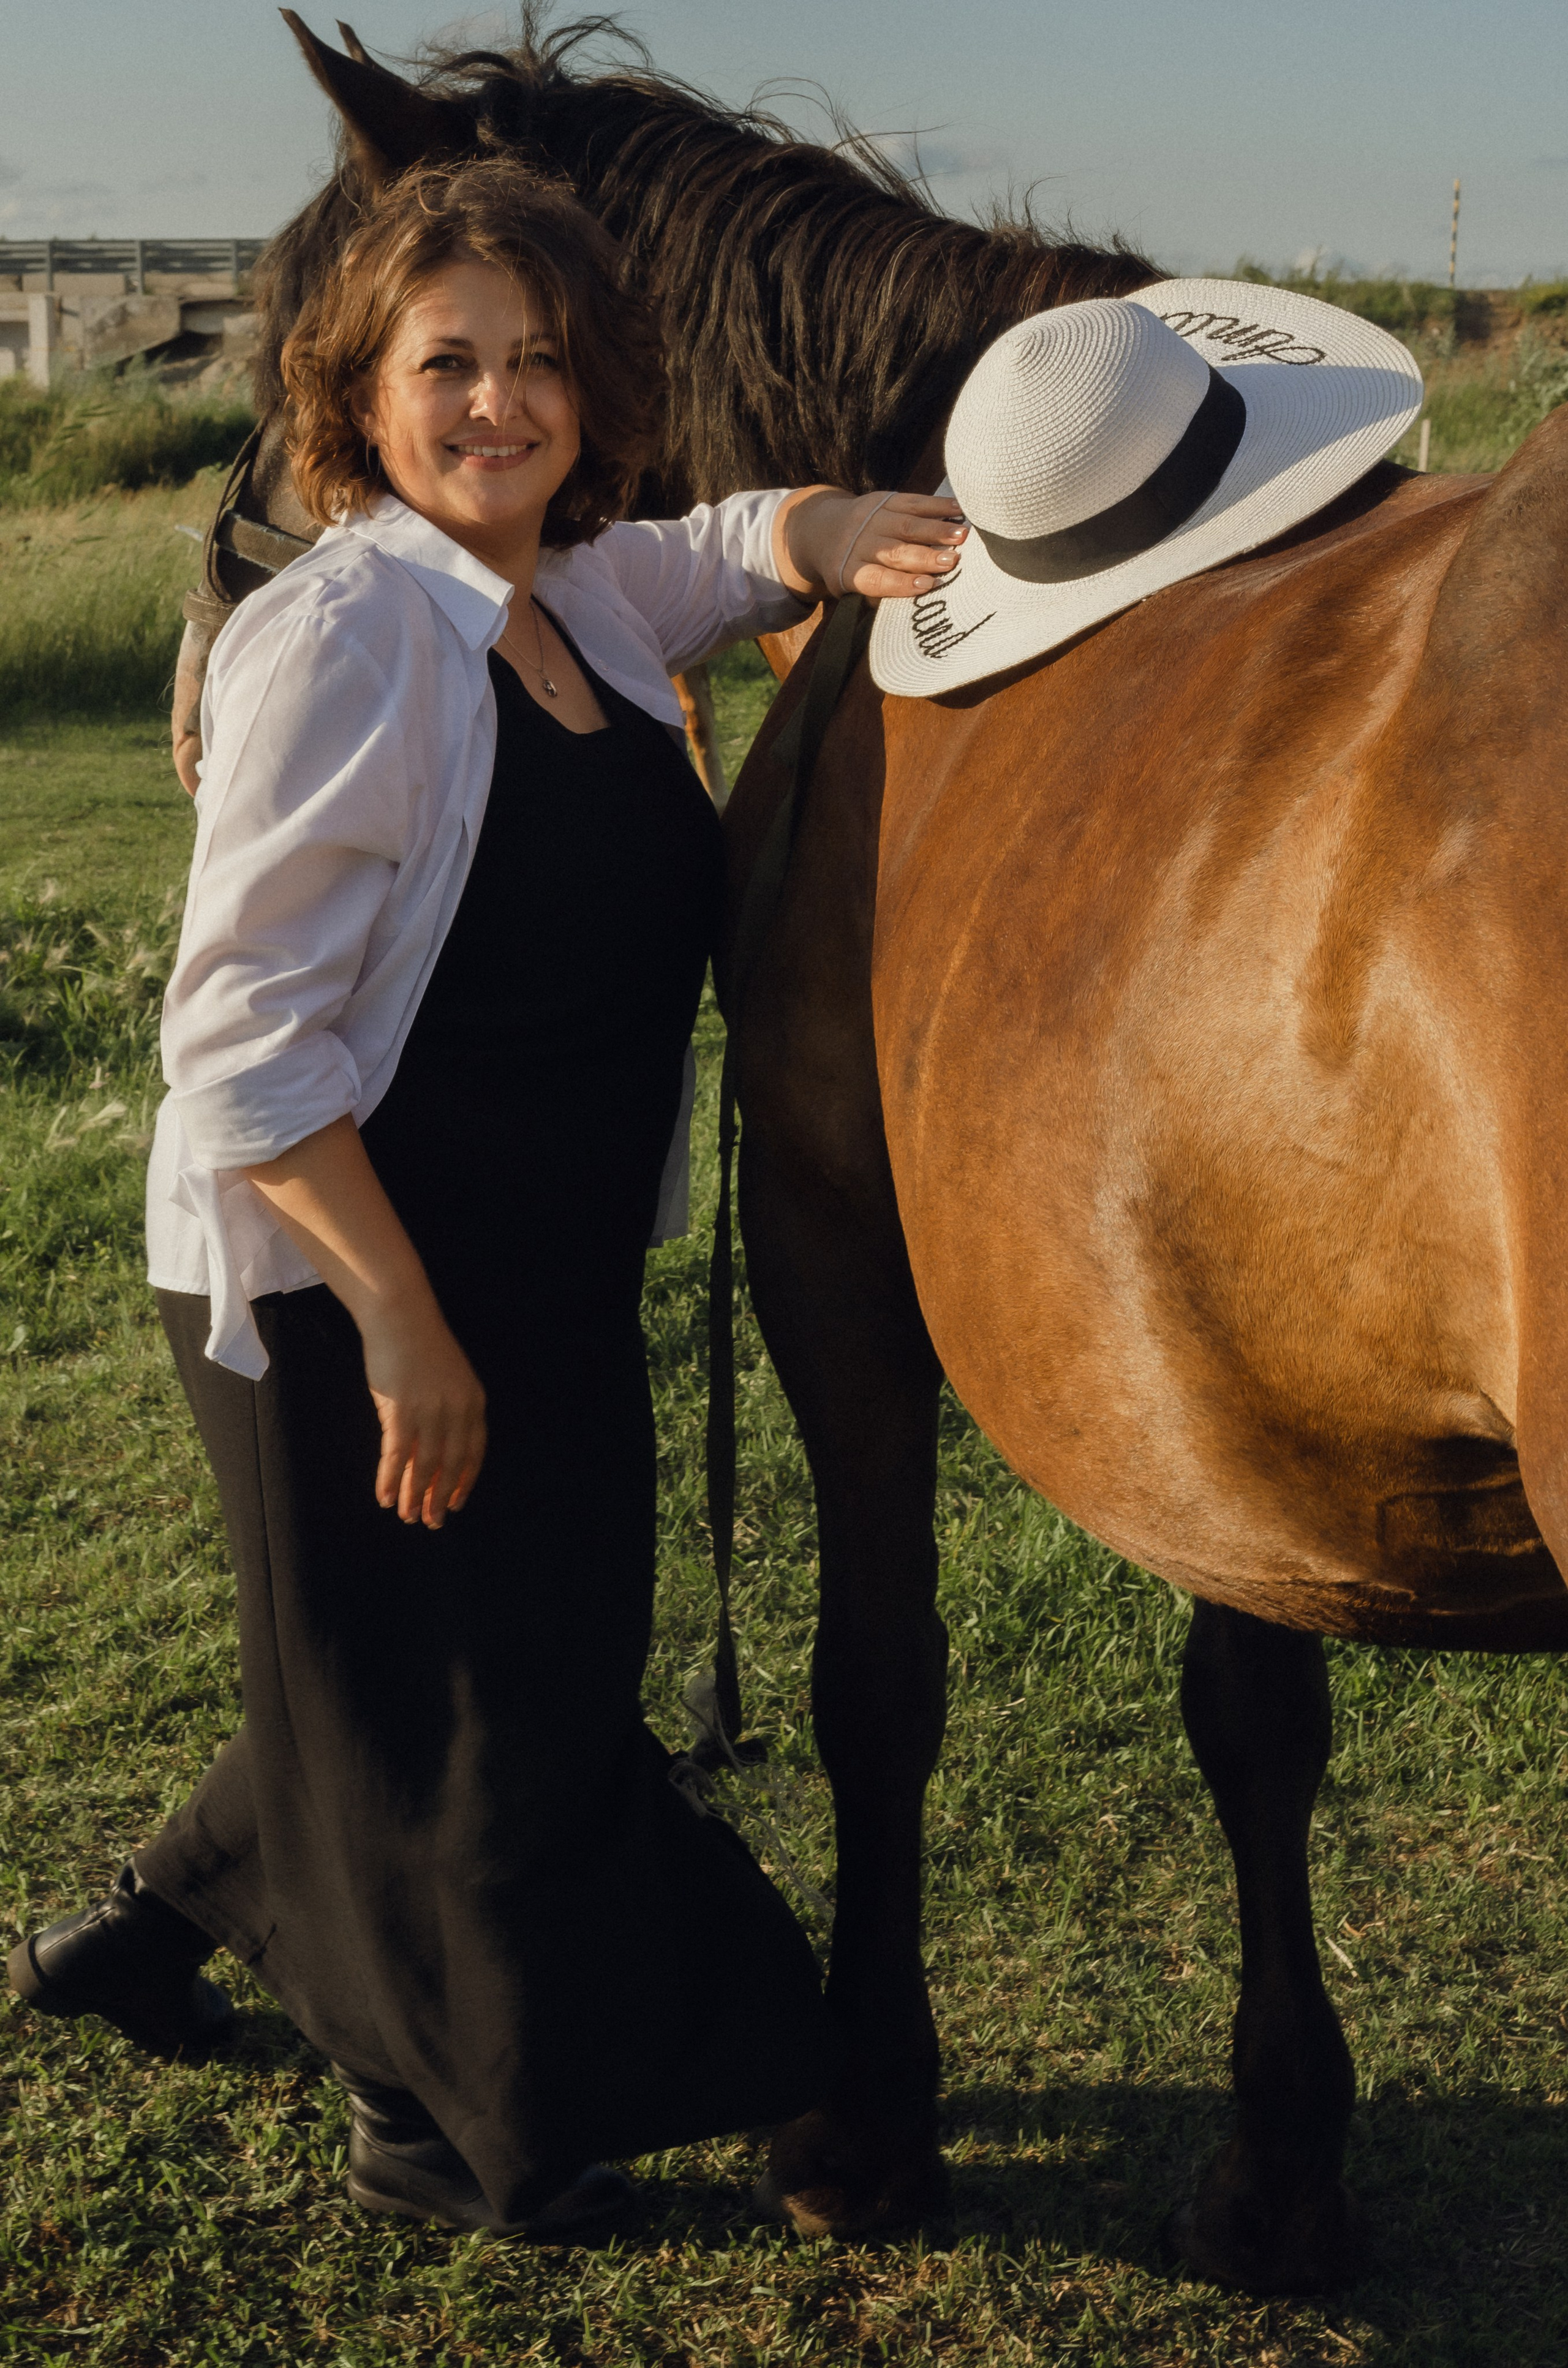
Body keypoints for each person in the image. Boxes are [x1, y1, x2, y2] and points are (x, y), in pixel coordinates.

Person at [6, 157, 967, 2238]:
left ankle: (154, 1926)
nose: (501, 404)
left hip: (540, 1262)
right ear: (359, 395)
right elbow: (241, 1049)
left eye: (541, 361)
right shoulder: (345, 636)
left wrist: (820, 528)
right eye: (450, 364)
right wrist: (403, 1327)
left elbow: (718, 555)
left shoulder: (578, 598)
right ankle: (437, 2134)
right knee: (469, 1727)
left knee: (428, 1667)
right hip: (350, 1265)